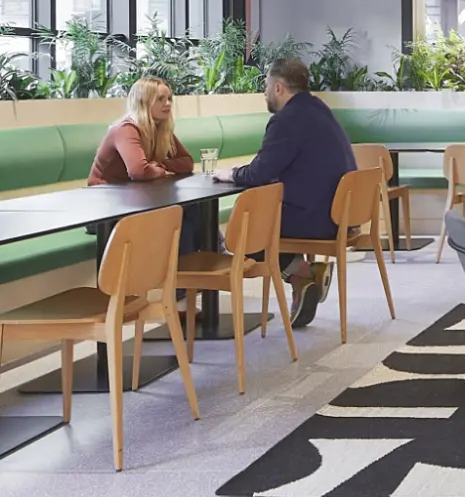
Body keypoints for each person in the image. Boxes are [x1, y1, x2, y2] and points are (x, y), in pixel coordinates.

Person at [212, 58, 356, 328]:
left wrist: (230, 173)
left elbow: (259, 173)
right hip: (341, 213)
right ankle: (304, 275)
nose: (265, 93)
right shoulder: (320, 109)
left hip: (317, 218)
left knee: (246, 229)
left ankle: (303, 273)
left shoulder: (287, 120)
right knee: (263, 219)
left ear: (278, 87)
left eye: (266, 86)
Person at [89, 77, 197, 252]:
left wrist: (158, 164)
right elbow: (139, 170)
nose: (168, 104)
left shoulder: (160, 128)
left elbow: (187, 163)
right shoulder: (126, 129)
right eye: (160, 99)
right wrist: (160, 169)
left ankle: (184, 266)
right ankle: (180, 267)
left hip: (136, 201)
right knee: (179, 210)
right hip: (103, 211)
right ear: (143, 102)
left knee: (190, 206)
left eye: (169, 98)